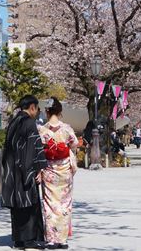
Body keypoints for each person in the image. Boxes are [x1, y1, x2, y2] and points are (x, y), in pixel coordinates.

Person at [2, 95, 48, 250]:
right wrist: (37, 169)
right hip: (25, 170)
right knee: (29, 203)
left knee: (17, 204)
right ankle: (29, 239)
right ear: (32, 107)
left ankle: (18, 239)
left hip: (12, 169)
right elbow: (33, 148)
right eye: (37, 109)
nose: (37, 112)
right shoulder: (29, 123)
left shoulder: (13, 122)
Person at [38, 98, 77, 250]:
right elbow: (73, 143)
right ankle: (63, 239)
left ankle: (51, 240)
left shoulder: (42, 130)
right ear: (60, 112)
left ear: (47, 112)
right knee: (65, 203)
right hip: (65, 170)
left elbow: (39, 149)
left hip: (49, 170)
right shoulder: (67, 128)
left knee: (49, 203)